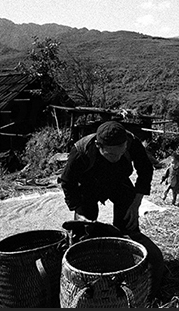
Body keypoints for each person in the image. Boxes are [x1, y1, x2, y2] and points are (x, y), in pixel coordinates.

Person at [58, 120, 164, 300]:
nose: (116, 157)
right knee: (84, 232)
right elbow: (67, 182)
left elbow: (145, 170)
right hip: (88, 186)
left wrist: (136, 203)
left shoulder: (132, 142)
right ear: (99, 146)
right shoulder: (81, 151)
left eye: (121, 152)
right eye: (111, 154)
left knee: (128, 225)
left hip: (119, 182)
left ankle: (128, 265)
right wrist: (78, 210)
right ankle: (86, 275)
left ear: (126, 145)